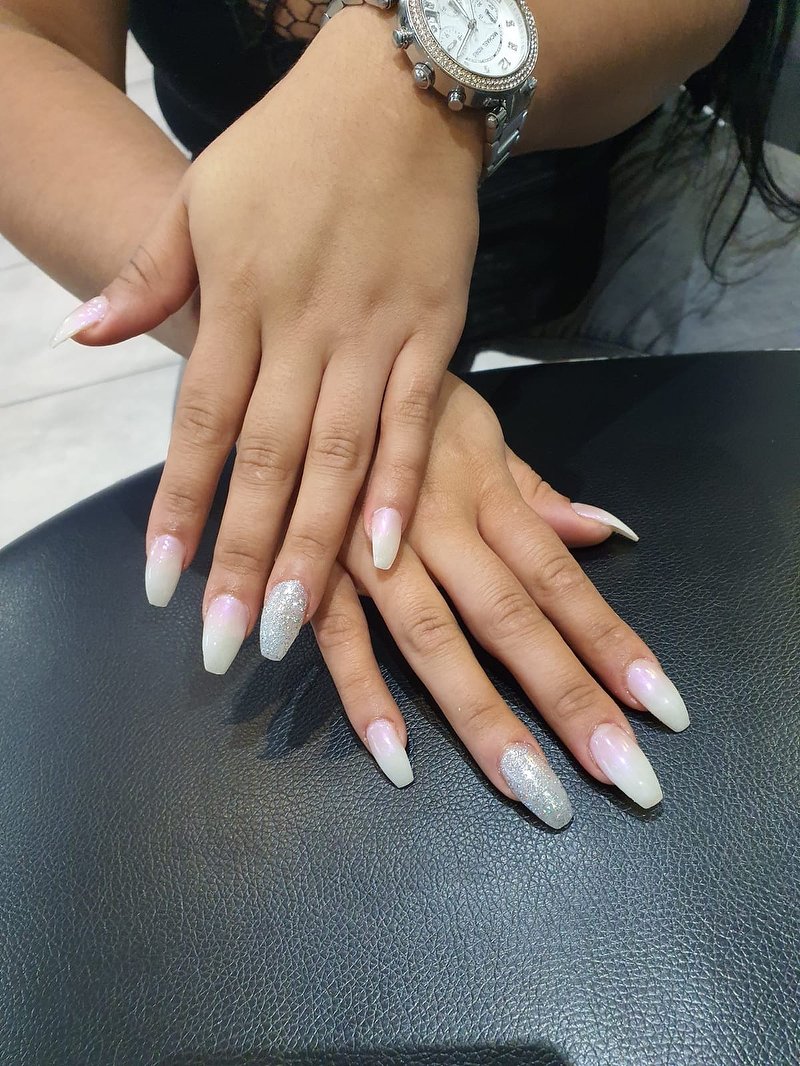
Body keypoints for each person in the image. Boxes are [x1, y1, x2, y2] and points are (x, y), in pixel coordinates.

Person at [1, 0, 797, 827]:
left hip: (615, 182)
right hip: (272, 253)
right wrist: (309, 376)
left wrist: (407, 78)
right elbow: (21, 40)